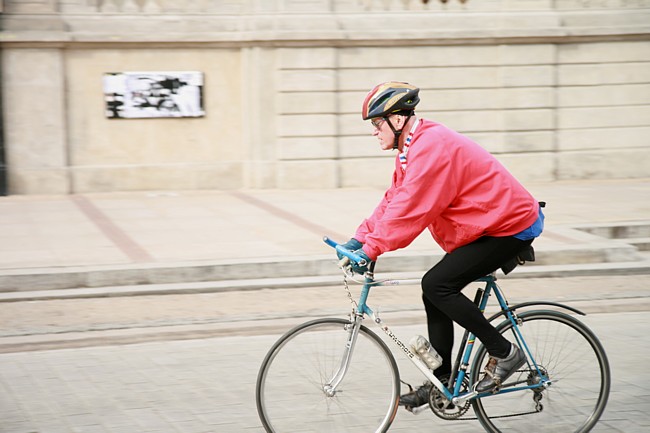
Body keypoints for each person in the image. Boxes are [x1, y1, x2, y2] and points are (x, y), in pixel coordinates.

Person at [337, 81, 545, 410]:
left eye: (377, 124)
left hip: (510, 225)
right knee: (434, 290)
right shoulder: (411, 149)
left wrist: (371, 249)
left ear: (397, 119)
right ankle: (443, 381)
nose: (374, 132)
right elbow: (395, 198)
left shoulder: (430, 147)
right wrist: (360, 238)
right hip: (487, 224)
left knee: (437, 284)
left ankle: (505, 353)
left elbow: (411, 210)